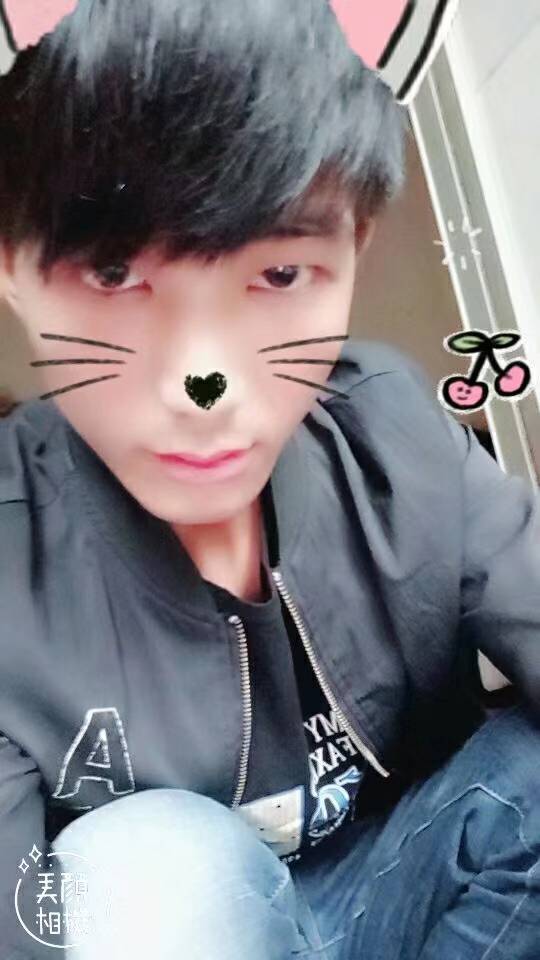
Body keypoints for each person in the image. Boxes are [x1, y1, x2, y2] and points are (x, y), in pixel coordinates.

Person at [0, 1, 539, 957]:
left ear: (354, 248)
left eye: (281, 275)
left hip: (416, 883)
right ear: (12, 270)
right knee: (140, 876)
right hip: (189, 929)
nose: (203, 383)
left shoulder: (392, 432)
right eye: (115, 273)